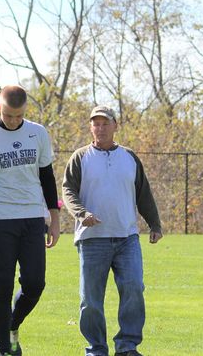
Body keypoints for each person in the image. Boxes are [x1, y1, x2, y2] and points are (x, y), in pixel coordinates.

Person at [61, 106, 163, 356]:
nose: (100, 127)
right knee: (91, 300)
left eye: (105, 123)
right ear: (90, 127)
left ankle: (127, 346)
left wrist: (155, 224)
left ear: (115, 125)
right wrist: (82, 214)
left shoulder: (129, 157)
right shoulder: (80, 157)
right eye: (95, 123)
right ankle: (96, 348)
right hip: (92, 240)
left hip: (127, 238)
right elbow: (68, 192)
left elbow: (143, 193)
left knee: (133, 288)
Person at [0, 85, 61, 356]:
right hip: (0, 221)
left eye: (18, 116)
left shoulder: (38, 133)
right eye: (9, 115)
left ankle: (11, 324)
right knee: (2, 288)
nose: (13, 121)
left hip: (33, 219)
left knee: (35, 284)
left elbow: (47, 177)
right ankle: (6, 349)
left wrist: (54, 219)